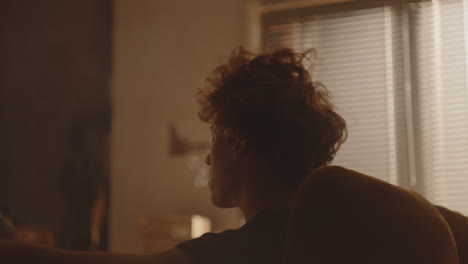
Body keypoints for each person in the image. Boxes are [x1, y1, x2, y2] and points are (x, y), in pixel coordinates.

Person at [2, 47, 467, 264]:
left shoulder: (255, 248)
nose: (207, 160)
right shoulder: (343, 236)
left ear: (238, 142)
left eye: (213, 140)